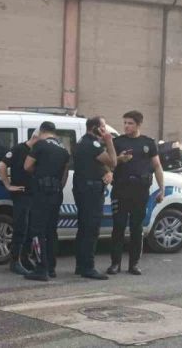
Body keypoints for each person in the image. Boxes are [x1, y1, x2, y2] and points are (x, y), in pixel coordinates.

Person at [107, 110, 164, 276]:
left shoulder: (148, 143)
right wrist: (119, 159)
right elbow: (108, 164)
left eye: (130, 123)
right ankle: (115, 264)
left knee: (136, 228)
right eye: (125, 123)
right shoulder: (118, 142)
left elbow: (157, 166)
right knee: (118, 227)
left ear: (138, 124)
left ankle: (134, 264)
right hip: (121, 190)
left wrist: (162, 189)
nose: (126, 126)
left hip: (140, 191)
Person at [23, 121, 71, 282]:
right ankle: (51, 267)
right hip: (56, 193)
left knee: (37, 231)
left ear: (41, 131)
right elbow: (65, 175)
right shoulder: (64, 149)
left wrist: (39, 173)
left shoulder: (40, 145)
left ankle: (40, 268)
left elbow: (27, 166)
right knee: (52, 231)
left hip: (41, 193)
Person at [72, 117, 117, 280]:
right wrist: (109, 141)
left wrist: (107, 172)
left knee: (84, 229)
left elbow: (98, 164)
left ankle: (80, 265)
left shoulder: (82, 142)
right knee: (91, 229)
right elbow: (113, 162)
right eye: (103, 127)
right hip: (91, 191)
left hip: (83, 189)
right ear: (95, 128)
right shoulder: (93, 144)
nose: (105, 130)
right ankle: (88, 267)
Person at [0, 131, 39, 275]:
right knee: (21, 227)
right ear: (35, 138)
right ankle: (15, 261)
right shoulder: (19, 149)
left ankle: (25, 258)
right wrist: (8, 185)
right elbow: (2, 165)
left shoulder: (37, 151)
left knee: (31, 229)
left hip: (34, 194)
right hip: (21, 194)